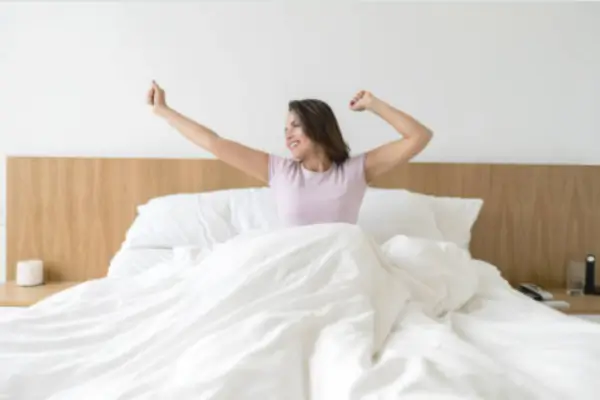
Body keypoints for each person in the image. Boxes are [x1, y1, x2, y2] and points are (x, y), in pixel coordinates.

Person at [147, 81, 433, 227]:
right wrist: (164, 111)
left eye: (295, 125)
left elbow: (419, 136)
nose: (288, 134)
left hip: (342, 270)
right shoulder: (279, 171)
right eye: (285, 129)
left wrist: (374, 104)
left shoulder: (356, 171)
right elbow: (213, 142)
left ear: (318, 126)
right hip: (293, 269)